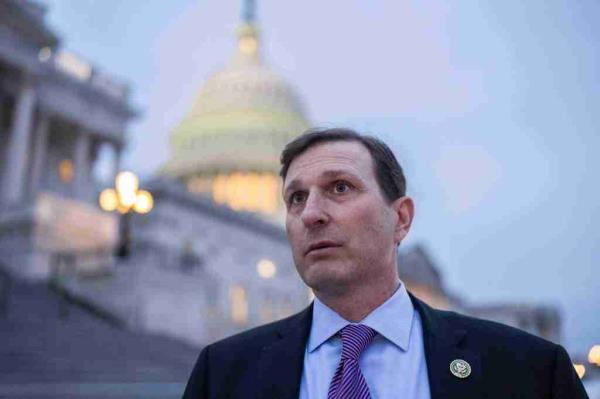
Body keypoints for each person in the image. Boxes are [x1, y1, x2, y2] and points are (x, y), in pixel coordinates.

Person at [183, 128, 588, 399]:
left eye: (339, 188)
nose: (311, 214)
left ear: (401, 218)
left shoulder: (530, 372)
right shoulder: (222, 376)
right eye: (296, 198)